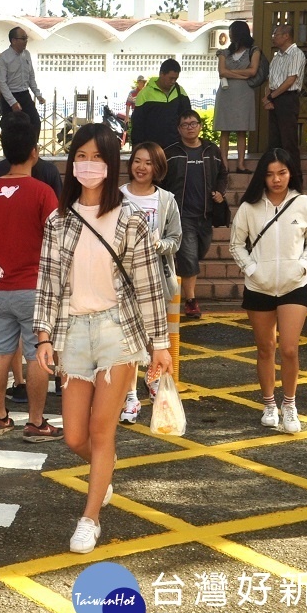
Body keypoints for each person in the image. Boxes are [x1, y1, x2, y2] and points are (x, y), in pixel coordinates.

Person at [34, 123, 172, 554]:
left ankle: (90, 517)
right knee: (75, 437)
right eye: (80, 156)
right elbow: (47, 282)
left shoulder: (128, 218)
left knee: (101, 429)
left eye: (97, 157)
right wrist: (43, 337)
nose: (87, 165)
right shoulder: (58, 220)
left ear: (111, 164)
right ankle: (103, 475)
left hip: (116, 330)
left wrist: (160, 343)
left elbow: (149, 284)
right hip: (72, 330)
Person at [0, 116, 60, 441]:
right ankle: (35, 422)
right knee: (38, 353)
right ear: (34, 152)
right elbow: (57, 236)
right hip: (34, 287)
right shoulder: (43, 191)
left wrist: (2, 239)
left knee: (2, 351)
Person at [229, 149, 307, 434]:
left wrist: (302, 266)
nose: (276, 179)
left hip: (294, 286)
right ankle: (269, 404)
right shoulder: (250, 207)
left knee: (290, 349)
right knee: (265, 347)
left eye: (282, 172)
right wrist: (252, 269)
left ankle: (289, 404)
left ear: (291, 172)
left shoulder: (305, 204)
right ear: (262, 177)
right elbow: (236, 245)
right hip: (259, 287)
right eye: (270, 174)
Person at [118, 142, 182, 424]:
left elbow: (175, 240)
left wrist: (159, 245)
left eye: (148, 163)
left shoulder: (166, 199)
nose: (141, 167)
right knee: (129, 341)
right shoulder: (116, 196)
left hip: (157, 278)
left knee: (154, 336)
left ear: (158, 168)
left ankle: (153, 377)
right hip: (123, 280)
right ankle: (130, 396)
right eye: (137, 161)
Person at [162, 109, 227, 320]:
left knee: (198, 252)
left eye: (193, 123)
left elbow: (223, 175)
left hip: (206, 214)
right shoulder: (171, 152)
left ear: (200, 125)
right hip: (181, 215)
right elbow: (160, 178)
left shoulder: (211, 150)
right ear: (179, 129)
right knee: (190, 257)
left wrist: (220, 192)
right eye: (185, 124)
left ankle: (182, 271)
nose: (190, 127)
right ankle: (190, 301)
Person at [215, 20, 264, 174]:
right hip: (226, 93)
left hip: (244, 94)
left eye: (232, 33)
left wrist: (233, 74)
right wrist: (243, 74)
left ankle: (241, 164)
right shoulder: (224, 52)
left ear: (239, 34)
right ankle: (224, 164)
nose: (230, 36)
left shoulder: (254, 50)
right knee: (225, 129)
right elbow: (222, 72)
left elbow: (253, 71)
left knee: (242, 129)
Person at [264, 24, 306, 169]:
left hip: (288, 98)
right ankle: (276, 172)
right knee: (275, 140)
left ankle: (295, 177)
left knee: (289, 141)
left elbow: (290, 80)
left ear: (286, 36)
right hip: (274, 97)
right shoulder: (277, 57)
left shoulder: (296, 54)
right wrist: (267, 97)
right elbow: (270, 80)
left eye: (276, 34)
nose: (273, 38)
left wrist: (271, 97)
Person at [131, 60, 191, 149]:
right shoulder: (145, 94)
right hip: (152, 148)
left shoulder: (179, 91)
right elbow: (138, 124)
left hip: (176, 146)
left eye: (176, 79)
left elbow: (187, 117)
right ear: (161, 74)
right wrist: (137, 146)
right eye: (171, 78)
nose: (173, 82)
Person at [0, 27, 45, 134]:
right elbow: (2, 83)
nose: (26, 41)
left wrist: (38, 94)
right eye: (23, 38)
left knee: (35, 122)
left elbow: (31, 76)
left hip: (24, 95)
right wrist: (13, 103)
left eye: (26, 38)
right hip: (10, 96)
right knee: (11, 129)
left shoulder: (26, 54)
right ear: (13, 40)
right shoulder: (3, 58)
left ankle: (31, 148)